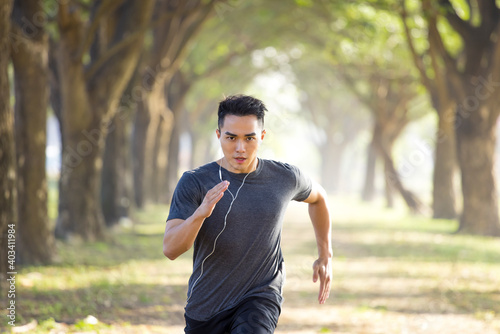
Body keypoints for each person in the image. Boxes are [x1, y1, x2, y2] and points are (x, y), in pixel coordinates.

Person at [163, 94, 332, 333]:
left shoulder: (284, 178)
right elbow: (170, 249)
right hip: (206, 306)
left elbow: (319, 198)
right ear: (218, 135)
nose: (240, 148)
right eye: (231, 138)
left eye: (249, 138)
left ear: (261, 137)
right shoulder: (195, 182)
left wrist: (326, 255)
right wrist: (200, 214)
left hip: (260, 299)